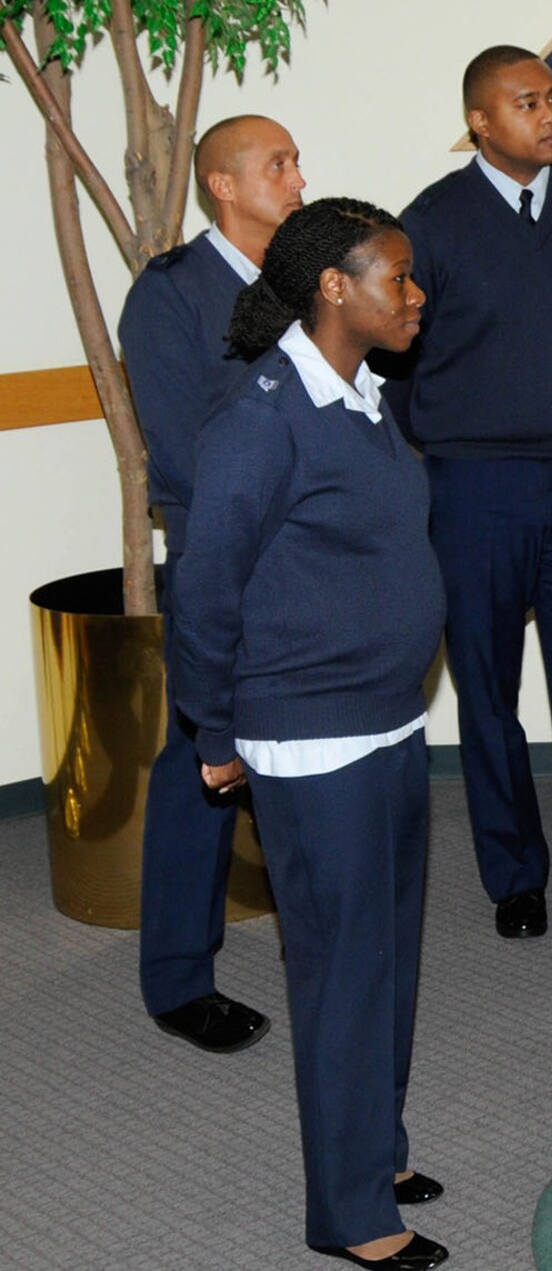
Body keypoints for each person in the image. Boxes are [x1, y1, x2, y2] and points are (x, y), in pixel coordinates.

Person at [174, 198, 448, 1268]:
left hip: (385, 718)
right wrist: (212, 729)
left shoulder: (361, 395)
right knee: (340, 971)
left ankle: (372, 1149)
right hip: (309, 735)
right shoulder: (263, 414)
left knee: (386, 958)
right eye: (397, 277)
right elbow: (207, 587)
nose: (414, 294)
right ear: (334, 287)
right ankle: (351, 1215)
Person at [383, 44, 552, 943]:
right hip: (471, 488)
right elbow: (392, 346)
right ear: (481, 122)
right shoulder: (431, 221)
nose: (551, 114)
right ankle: (516, 874)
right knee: (486, 693)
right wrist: (429, 454)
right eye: (528, 102)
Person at [119, 114, 305, 1055]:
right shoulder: (172, 294)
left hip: (310, 558)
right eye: (278, 164)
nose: (298, 176)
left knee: (303, 755)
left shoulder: (308, 283)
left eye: (297, 160)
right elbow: (186, 455)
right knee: (200, 760)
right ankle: (178, 978)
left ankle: (319, 952)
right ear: (224, 186)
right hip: (226, 561)